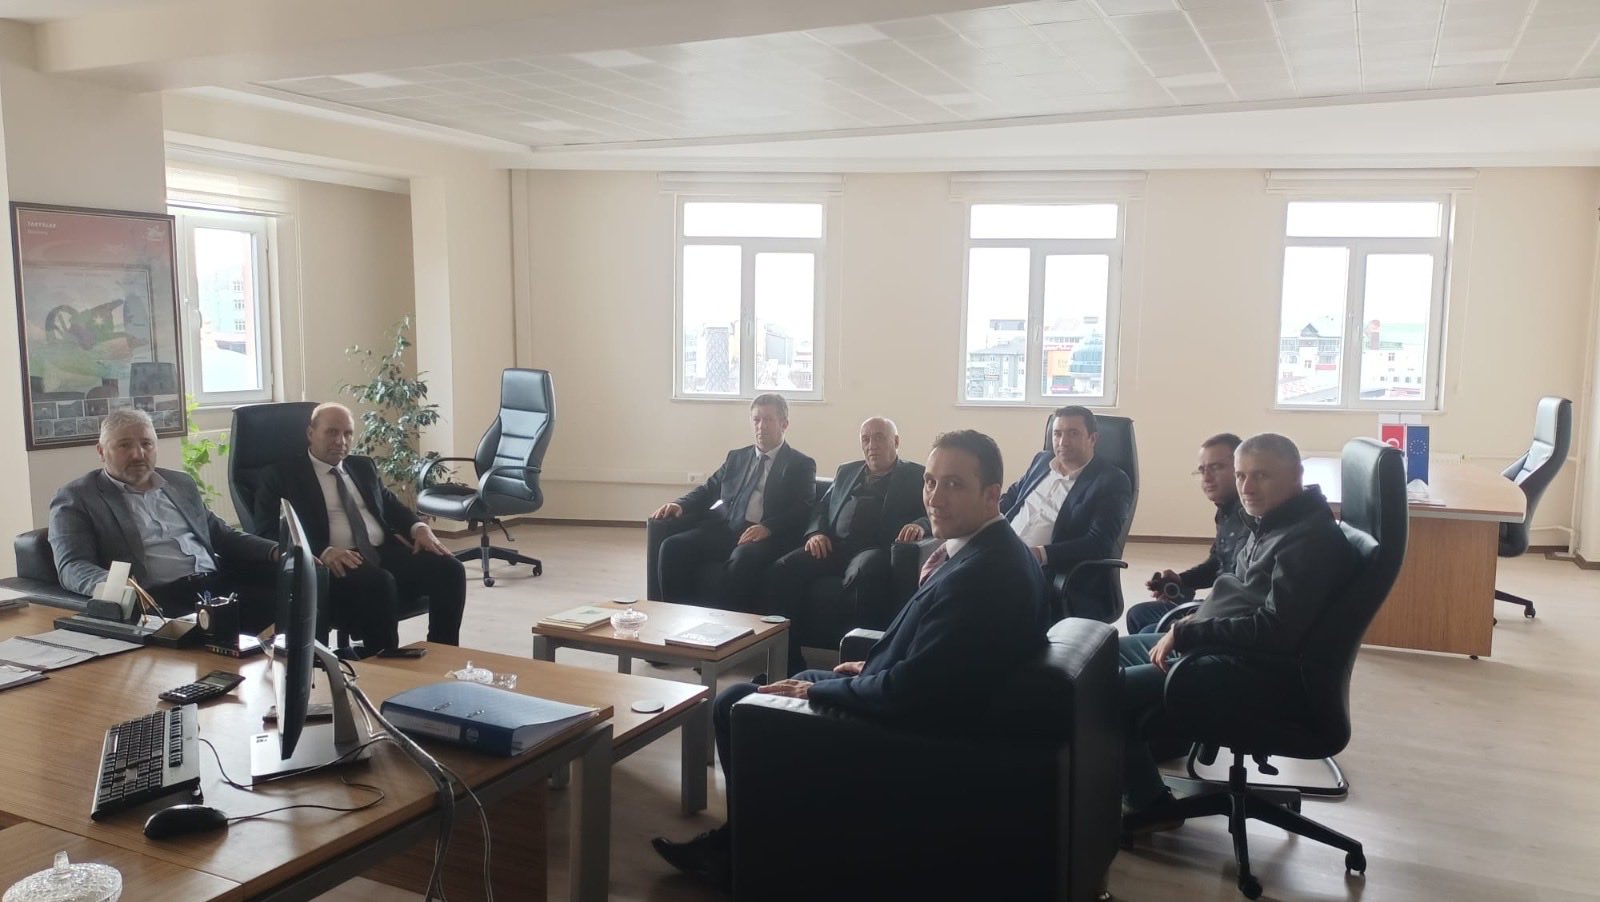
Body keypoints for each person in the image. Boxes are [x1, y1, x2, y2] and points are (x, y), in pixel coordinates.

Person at [651, 429, 1047, 890]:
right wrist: (871, 665)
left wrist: (822, 691)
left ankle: (747, 854)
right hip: (906, 699)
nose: (935, 498)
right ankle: (747, 839)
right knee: (779, 684)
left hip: (900, 736)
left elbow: (913, 691)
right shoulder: (991, 551)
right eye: (931, 482)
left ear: (992, 494)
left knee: (734, 701)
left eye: (954, 484)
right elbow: (947, 656)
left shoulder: (982, 576)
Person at [1118, 433, 1356, 824]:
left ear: (1297, 474)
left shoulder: (1308, 540)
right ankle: (1127, 764)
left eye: (1261, 475)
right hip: (1219, 648)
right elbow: (1239, 593)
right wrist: (1190, 622)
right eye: (1242, 475)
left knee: (1103, 691)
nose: (1247, 487)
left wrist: (1187, 632)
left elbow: (1275, 631)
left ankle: (1150, 805)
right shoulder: (1273, 521)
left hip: (1247, 667)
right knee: (1101, 655)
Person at [250, 402, 466, 654]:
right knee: (380, 583)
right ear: (311, 433)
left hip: (381, 551)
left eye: (347, 433)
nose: (340, 441)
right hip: (332, 561)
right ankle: (384, 660)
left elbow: (390, 505)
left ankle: (443, 653)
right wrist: (323, 551)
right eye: (332, 432)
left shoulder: (362, 466)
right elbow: (266, 533)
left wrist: (418, 528)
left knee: (450, 569)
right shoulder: (282, 475)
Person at [49, 409, 281, 625]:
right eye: (124, 445)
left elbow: (221, 535)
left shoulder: (180, 483)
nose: (138, 454)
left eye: (146, 444)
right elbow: (72, 566)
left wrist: (276, 551)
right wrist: (119, 586)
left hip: (216, 586)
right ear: (101, 451)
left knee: (291, 594)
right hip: (159, 599)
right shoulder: (78, 497)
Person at [765, 416, 926, 674]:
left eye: (879, 438)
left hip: (875, 548)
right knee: (783, 569)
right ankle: (787, 662)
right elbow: (821, 507)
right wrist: (816, 532)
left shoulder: (916, 475)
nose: (871, 445)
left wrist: (919, 525)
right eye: (865, 439)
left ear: (896, 442)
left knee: (864, 574)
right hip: (834, 545)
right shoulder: (846, 471)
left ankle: (859, 667)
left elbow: (931, 512)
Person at [650, 394, 817, 612]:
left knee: (742, 559)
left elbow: (803, 508)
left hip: (767, 536)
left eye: (768, 419)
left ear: (784, 424)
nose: (761, 426)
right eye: (756, 419)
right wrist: (681, 504)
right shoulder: (737, 457)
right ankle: (675, 619)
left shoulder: (800, 464)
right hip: (729, 528)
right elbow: (709, 489)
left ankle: (728, 629)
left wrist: (768, 528)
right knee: (672, 547)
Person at [1000, 405, 1133, 619]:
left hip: (1045, 571)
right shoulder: (1042, 461)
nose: (1063, 442)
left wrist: (1040, 554)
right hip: (1003, 552)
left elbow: (1099, 543)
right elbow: (1010, 498)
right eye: (1057, 433)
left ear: (1092, 438)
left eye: (1073, 433)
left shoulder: (1111, 481)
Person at [1125, 433, 1250, 634]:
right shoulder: (1226, 512)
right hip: (1219, 607)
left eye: (1216, 467)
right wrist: (1181, 581)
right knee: (1138, 614)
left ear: (1241, 468)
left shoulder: (1252, 519)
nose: (1207, 478)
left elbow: (1245, 594)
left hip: (1233, 617)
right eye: (1202, 470)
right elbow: (1218, 563)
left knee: (1149, 630)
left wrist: (1195, 617)